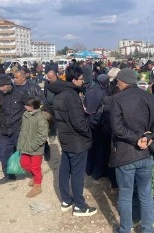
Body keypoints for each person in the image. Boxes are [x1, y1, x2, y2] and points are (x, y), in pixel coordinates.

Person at [110, 68, 154, 233]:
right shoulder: (151, 97)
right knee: (145, 193)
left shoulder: (117, 100)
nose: (117, 85)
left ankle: (125, 229)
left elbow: (118, 129)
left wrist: (138, 139)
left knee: (125, 195)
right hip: (146, 154)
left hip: (125, 154)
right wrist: (148, 137)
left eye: (118, 82)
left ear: (123, 81)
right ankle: (147, 229)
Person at [47, 66, 97, 216]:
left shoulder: (59, 93)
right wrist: (88, 133)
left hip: (65, 136)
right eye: (81, 79)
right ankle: (80, 206)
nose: (83, 82)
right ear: (74, 80)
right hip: (77, 140)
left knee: (64, 169)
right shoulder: (71, 95)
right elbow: (78, 122)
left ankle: (66, 201)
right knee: (77, 172)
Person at [0, 75, 27, 185]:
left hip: (18, 129)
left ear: (9, 85)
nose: (1, 89)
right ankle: (8, 176)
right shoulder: (0, 97)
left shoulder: (21, 93)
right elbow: (0, 113)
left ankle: (33, 174)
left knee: (23, 152)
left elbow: (30, 108)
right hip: (4, 130)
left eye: (3, 86)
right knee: (4, 154)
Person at [17, 97, 50, 198]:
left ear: (33, 106)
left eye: (27, 105)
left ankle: (37, 186)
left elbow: (42, 136)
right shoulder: (25, 115)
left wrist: (32, 146)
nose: (25, 106)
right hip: (25, 146)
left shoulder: (41, 118)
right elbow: (22, 131)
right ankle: (37, 175)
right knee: (23, 163)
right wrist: (20, 143)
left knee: (35, 167)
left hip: (36, 148)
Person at [85, 74, 109, 180]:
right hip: (98, 122)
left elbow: (85, 105)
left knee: (91, 146)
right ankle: (97, 172)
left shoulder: (89, 90)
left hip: (89, 121)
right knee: (100, 148)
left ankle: (88, 169)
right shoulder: (104, 92)